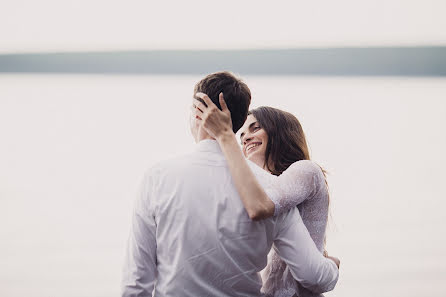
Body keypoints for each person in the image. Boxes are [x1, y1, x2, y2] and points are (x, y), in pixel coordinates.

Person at [122, 71, 339, 297]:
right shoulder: (269, 188)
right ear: (236, 123)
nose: (247, 138)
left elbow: (136, 282)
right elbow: (313, 275)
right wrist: (332, 266)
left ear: (198, 113)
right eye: (245, 130)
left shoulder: (156, 178)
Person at [193, 98, 338, 297]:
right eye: (241, 134)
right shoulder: (262, 185)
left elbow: (262, 205)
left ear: (279, 132)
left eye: (255, 128)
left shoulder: (306, 170)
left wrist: (330, 267)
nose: (245, 138)